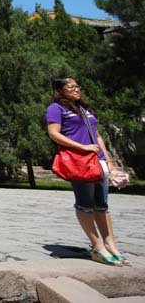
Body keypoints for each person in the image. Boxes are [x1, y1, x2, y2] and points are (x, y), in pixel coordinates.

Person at [45, 77, 129, 266]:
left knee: (102, 204)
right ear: (60, 90)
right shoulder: (56, 108)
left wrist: (108, 160)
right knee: (85, 203)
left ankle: (111, 245)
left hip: (97, 160)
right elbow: (54, 134)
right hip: (79, 160)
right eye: (71, 87)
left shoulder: (84, 108)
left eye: (77, 86)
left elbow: (97, 135)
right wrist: (82, 147)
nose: (76, 89)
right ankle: (97, 246)